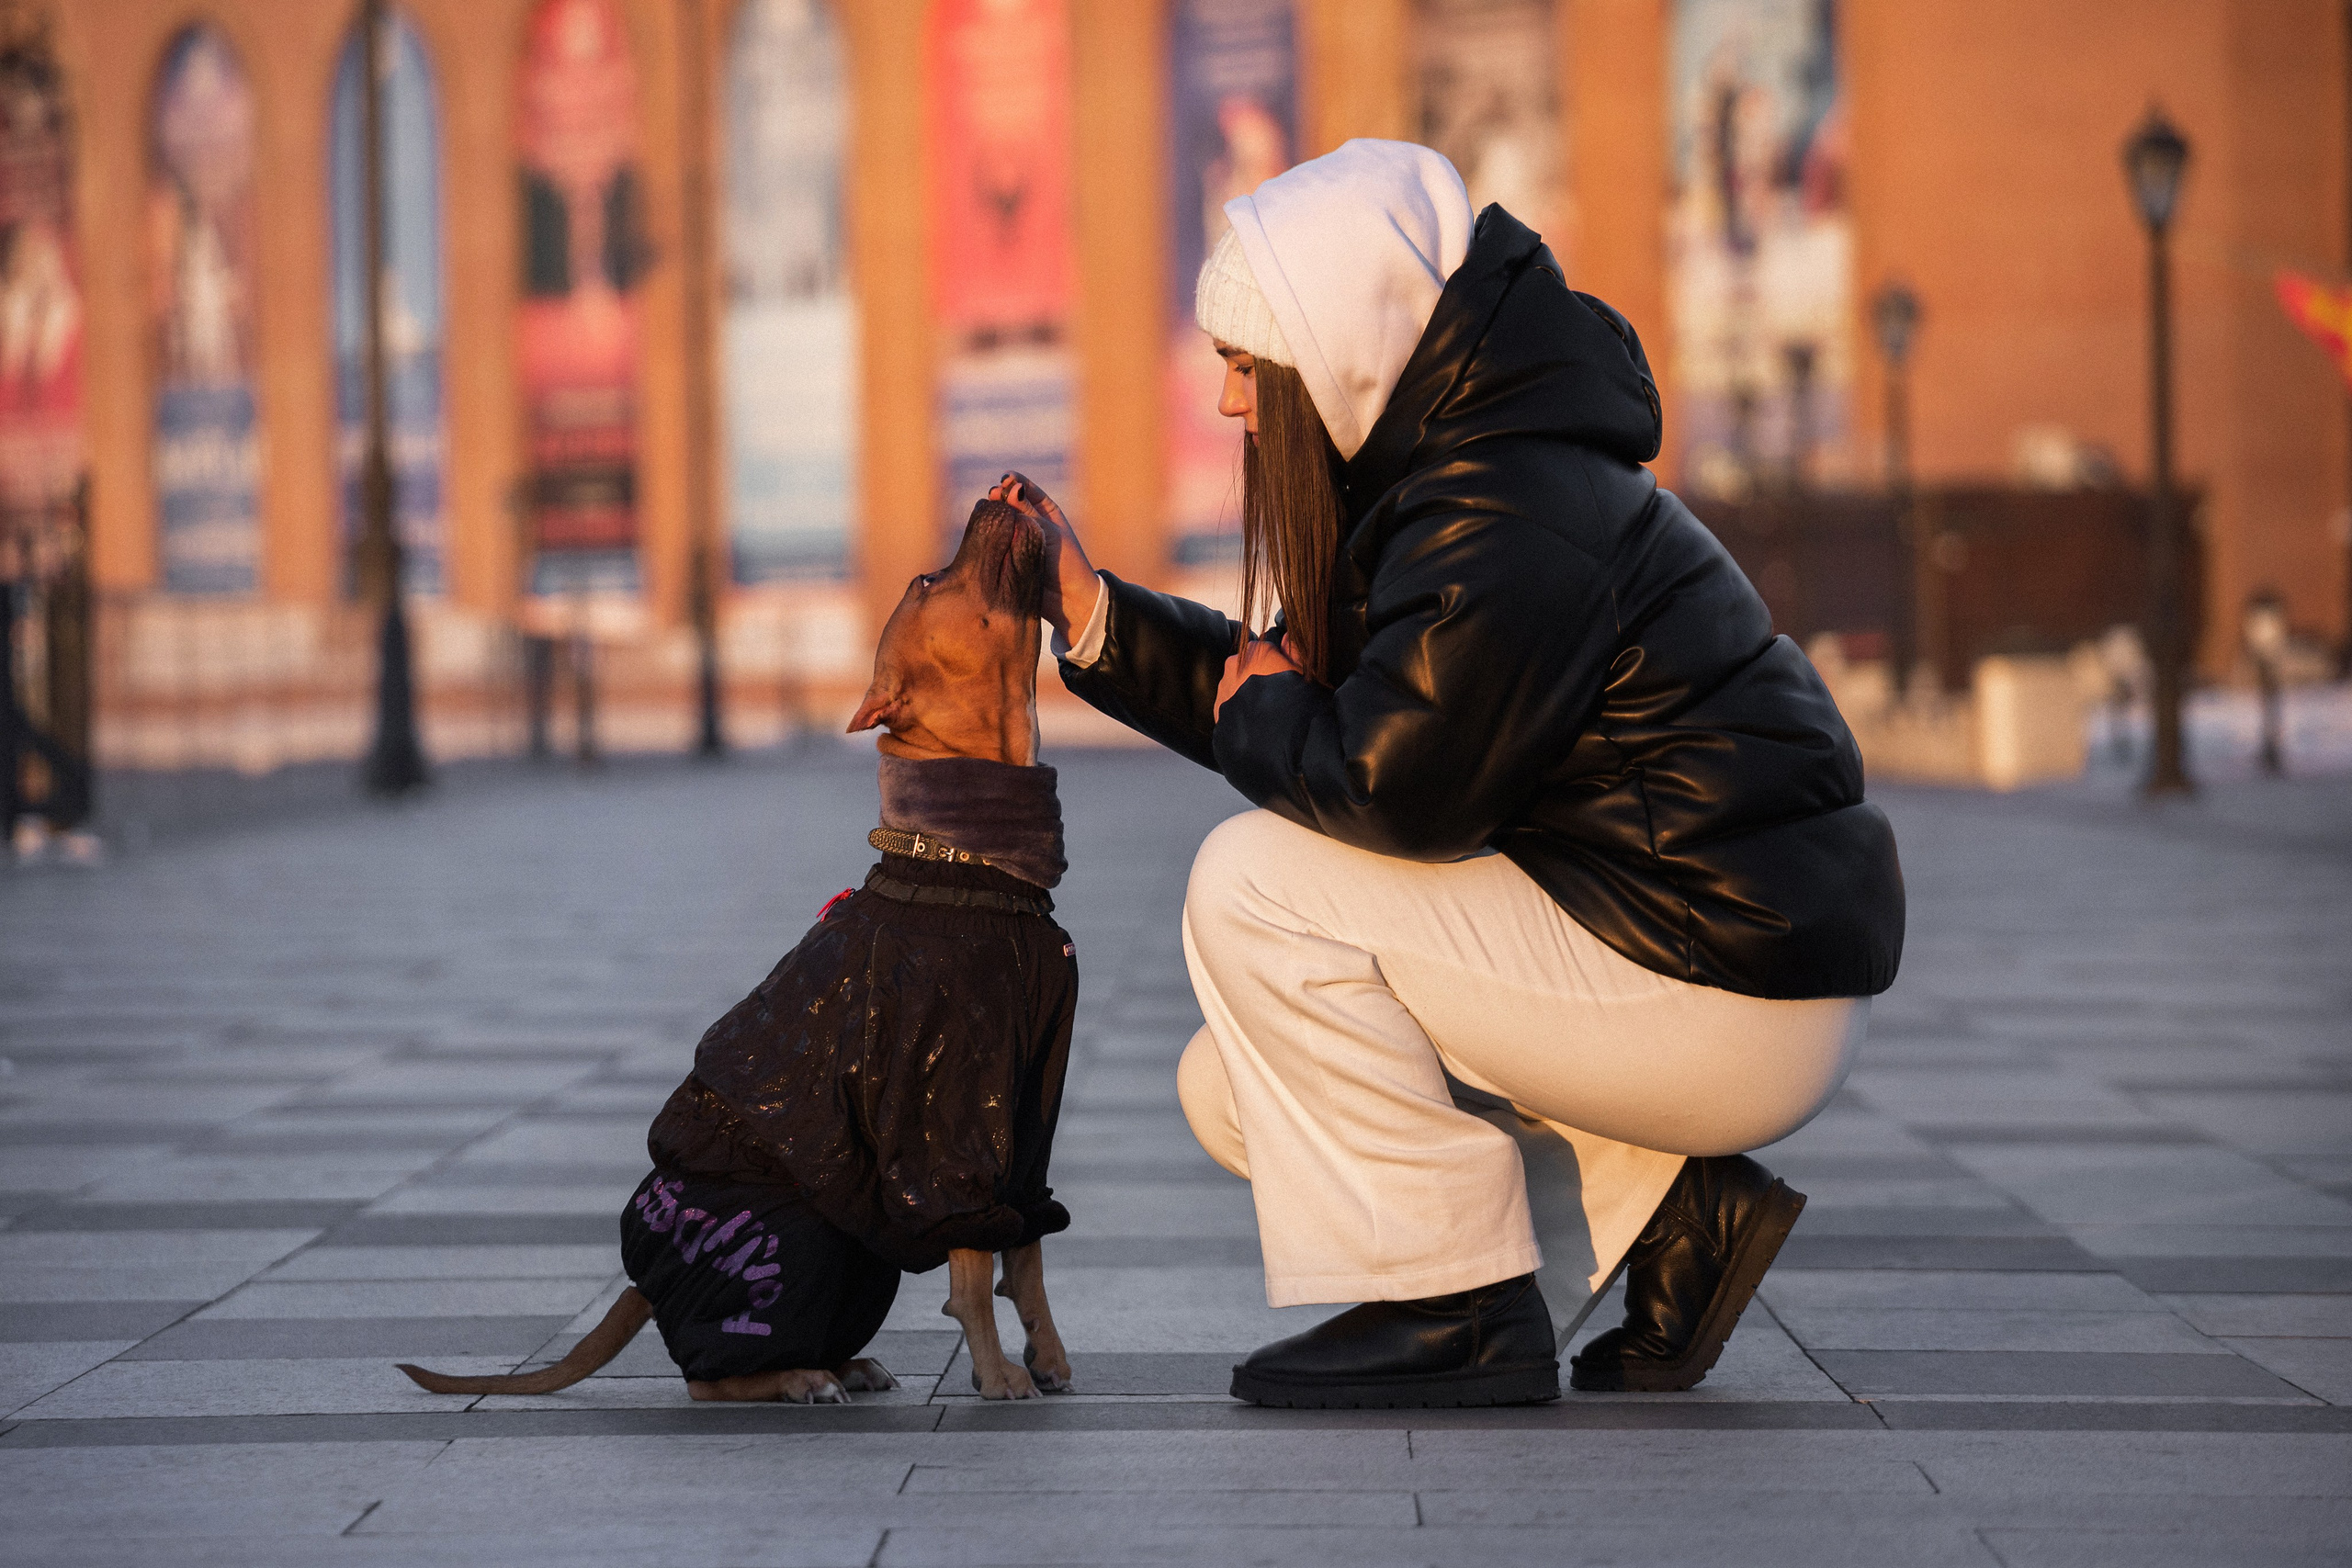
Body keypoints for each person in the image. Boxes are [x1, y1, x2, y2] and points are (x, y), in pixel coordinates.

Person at [994, 140, 1904, 1408]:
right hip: (1692, 954)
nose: (1230, 404)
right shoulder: (1461, 468)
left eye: (1246, 365)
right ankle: (1668, 1208)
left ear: (1335, 348)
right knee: (1234, 1090)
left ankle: (1455, 1307)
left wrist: (1273, 708)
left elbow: (1394, 791)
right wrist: (1093, 613)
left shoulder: (1502, 501)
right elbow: (1314, 704)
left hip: (1729, 983)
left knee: (1253, 884)